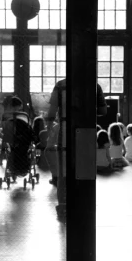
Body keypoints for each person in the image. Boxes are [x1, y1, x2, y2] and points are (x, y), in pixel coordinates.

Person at [45, 79, 107, 219]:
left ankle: (62, 205)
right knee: (85, 171)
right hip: (86, 131)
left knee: (63, 172)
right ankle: (83, 204)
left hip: (65, 130)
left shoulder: (60, 85)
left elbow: (51, 111)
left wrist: (49, 129)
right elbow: (103, 110)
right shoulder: (93, 85)